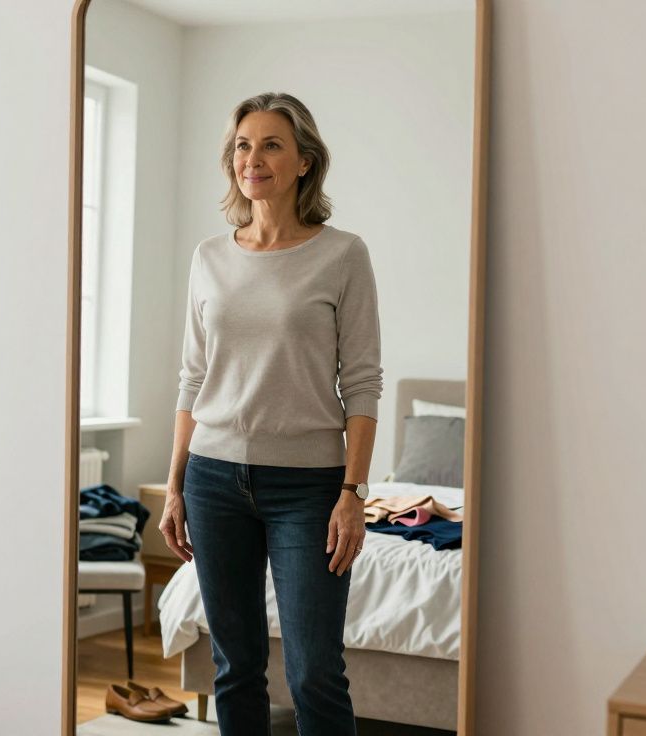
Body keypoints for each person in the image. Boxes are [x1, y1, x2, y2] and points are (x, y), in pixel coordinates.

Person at [158, 92, 383, 736]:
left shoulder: (342, 255)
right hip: (212, 480)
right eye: (242, 146)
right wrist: (174, 485)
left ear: (305, 161)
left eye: (271, 145)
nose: (252, 159)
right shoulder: (209, 257)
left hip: (309, 488)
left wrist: (352, 493)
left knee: (314, 672)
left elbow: (362, 383)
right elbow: (193, 379)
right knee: (234, 666)